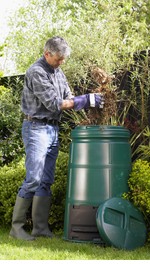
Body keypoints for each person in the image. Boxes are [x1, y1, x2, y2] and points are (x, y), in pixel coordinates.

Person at [9, 36, 104, 241]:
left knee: (46, 180)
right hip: (35, 128)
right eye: (58, 59)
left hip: (52, 129)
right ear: (47, 54)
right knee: (33, 178)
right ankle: (16, 228)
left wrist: (78, 100)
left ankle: (40, 228)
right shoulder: (36, 72)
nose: (61, 63)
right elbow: (55, 103)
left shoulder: (57, 71)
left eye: (63, 59)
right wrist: (85, 100)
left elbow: (68, 97)